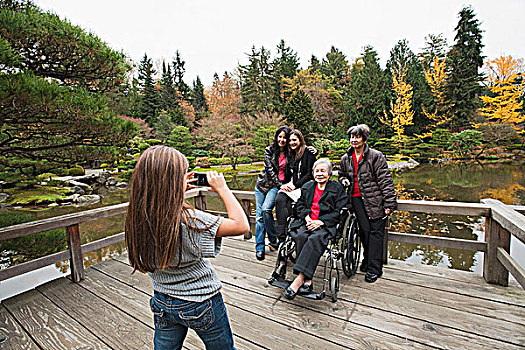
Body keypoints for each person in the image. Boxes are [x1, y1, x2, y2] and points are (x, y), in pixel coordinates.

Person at [125, 145, 250, 350]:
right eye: (184, 174)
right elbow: (241, 225)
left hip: (163, 299)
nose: (188, 177)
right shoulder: (190, 221)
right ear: (171, 182)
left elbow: (162, 209)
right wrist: (222, 189)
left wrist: (178, 193)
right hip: (202, 301)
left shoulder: (137, 216)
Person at [339, 124, 397, 283]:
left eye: (357, 137)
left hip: (375, 200)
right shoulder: (346, 158)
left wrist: (389, 203)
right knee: (365, 231)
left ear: (364, 139)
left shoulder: (375, 156)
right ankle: (367, 260)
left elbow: (385, 180)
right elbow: (341, 174)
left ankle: (374, 269)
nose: (354, 140)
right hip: (356, 200)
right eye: (351, 137)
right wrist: (344, 180)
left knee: (376, 233)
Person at [283, 158, 347, 300]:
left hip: (325, 225)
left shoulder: (337, 189)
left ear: (329, 174)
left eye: (323, 171)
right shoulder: (308, 186)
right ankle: (308, 280)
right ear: (313, 173)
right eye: (317, 171)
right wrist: (307, 218)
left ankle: (299, 280)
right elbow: (299, 205)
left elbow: (339, 212)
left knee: (314, 238)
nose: (320, 174)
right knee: (300, 236)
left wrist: (321, 221)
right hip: (306, 222)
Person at [254, 126, 292, 261]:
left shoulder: (290, 152)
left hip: (275, 187)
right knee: (259, 217)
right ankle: (260, 247)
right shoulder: (269, 150)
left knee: (266, 210)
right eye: (279, 137)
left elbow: (302, 155)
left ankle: (272, 239)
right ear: (276, 137)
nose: (281, 140)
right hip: (262, 185)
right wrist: (281, 185)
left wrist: (313, 151)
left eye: (284, 137)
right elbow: (270, 170)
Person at [274, 129, 317, 245]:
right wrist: (285, 185)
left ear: (300, 140)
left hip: (305, 187)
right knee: (280, 200)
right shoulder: (291, 154)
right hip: (293, 187)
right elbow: (288, 173)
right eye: (290, 140)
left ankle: (296, 234)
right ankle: (282, 237)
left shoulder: (308, 153)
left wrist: (295, 185)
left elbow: (310, 174)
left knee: (295, 206)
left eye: (294, 140)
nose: (292, 143)